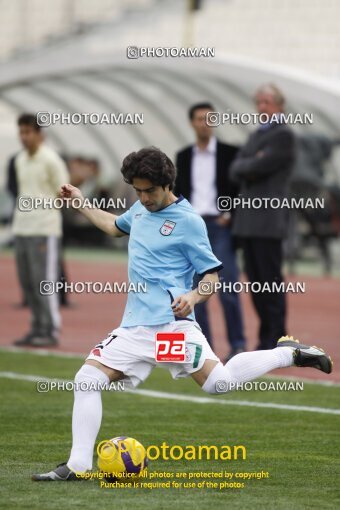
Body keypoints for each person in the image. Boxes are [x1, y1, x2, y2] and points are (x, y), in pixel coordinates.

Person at [32, 147, 332, 481]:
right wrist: (80, 202)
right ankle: (78, 466)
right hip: (133, 329)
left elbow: (212, 276)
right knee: (87, 379)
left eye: (149, 191)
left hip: (170, 329)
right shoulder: (140, 210)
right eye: (138, 190)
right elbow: (115, 227)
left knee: (218, 385)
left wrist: (192, 296)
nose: (144, 197)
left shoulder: (188, 222)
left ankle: (287, 354)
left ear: (166, 184)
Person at [176, 103, 246, 359]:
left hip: (220, 226)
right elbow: (178, 191)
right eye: (199, 118)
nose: (204, 122)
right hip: (193, 228)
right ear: (191, 123)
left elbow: (241, 188)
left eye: (209, 118)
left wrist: (231, 214)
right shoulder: (183, 156)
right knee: (196, 292)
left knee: (228, 290)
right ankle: (204, 347)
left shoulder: (231, 153)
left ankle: (237, 344)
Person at [230, 84, 295, 350]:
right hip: (248, 223)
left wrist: (250, 165)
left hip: (267, 222)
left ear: (280, 105)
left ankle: (278, 338)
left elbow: (260, 165)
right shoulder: (257, 134)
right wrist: (249, 165)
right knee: (256, 285)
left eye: (267, 102)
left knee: (270, 283)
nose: (261, 108)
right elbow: (235, 169)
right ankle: (265, 339)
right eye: (258, 103)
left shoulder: (283, 135)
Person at [12, 113, 69, 347]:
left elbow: (64, 192)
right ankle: (36, 327)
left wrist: (45, 213)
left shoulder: (51, 160)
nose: (24, 137)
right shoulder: (19, 160)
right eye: (21, 132)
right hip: (21, 228)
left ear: (39, 134)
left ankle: (50, 329)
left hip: (44, 229)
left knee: (43, 281)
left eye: (28, 132)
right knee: (27, 282)